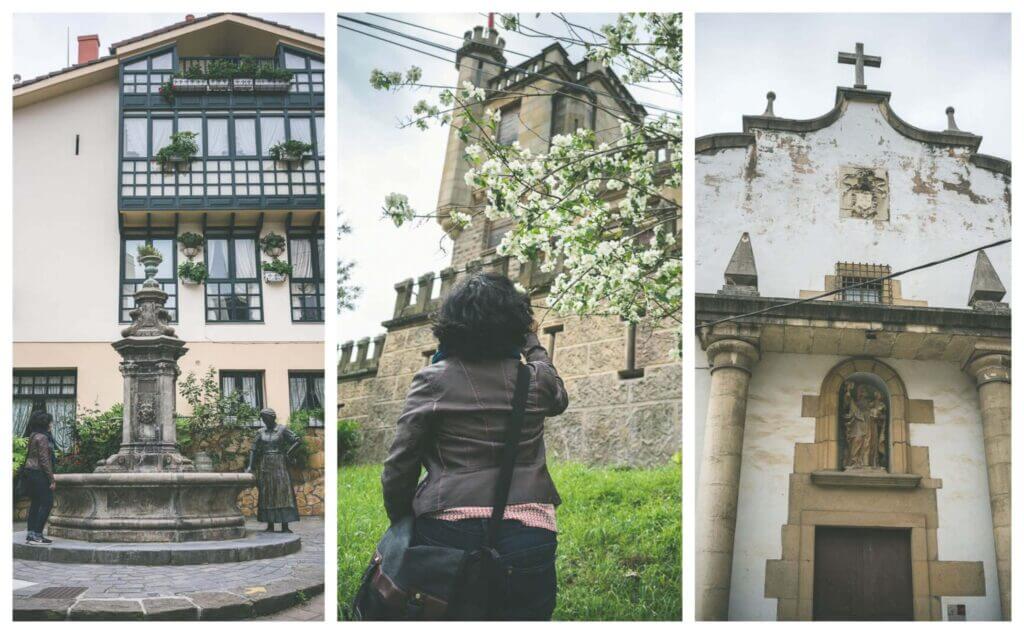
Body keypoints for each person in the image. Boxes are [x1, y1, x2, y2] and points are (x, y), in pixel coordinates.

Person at [382, 272, 570, 620]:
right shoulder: (537, 379)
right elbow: (556, 391)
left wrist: (401, 520)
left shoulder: (433, 380)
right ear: (516, 323)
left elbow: (400, 464)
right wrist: (531, 339)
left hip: (447, 530)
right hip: (530, 534)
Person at [246, 408, 301, 533]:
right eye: (263, 419)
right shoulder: (260, 432)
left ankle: (285, 525)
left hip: (279, 464)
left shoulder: (282, 429)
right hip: (265, 464)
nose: (264, 421)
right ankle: (270, 525)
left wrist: (288, 453)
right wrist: (250, 466)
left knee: (282, 492)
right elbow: (253, 450)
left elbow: (297, 440)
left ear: (272, 418)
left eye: (266, 419)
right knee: (267, 493)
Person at [23, 411, 57, 544]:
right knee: (47, 502)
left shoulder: (33, 435)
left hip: (30, 472)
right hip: (39, 473)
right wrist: (52, 479)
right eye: (50, 422)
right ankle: (37, 534)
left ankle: (31, 534)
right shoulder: (42, 438)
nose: (51, 425)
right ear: (45, 423)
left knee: (35, 503)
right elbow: (44, 460)